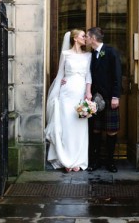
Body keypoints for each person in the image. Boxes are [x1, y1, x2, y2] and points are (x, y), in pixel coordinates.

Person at [45, 29, 92, 172]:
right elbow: (60, 74)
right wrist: (57, 92)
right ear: (75, 38)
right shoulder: (65, 54)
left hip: (80, 93)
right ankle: (65, 160)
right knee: (67, 127)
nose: (86, 38)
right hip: (66, 94)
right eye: (83, 36)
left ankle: (78, 160)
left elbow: (88, 75)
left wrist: (88, 93)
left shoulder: (88, 55)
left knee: (80, 127)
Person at [85, 27, 122, 173]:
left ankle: (110, 162)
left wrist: (115, 96)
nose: (86, 39)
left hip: (109, 98)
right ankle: (95, 161)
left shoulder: (111, 51)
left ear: (93, 38)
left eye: (87, 36)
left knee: (111, 131)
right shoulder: (92, 54)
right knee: (95, 130)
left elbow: (117, 75)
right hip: (95, 98)